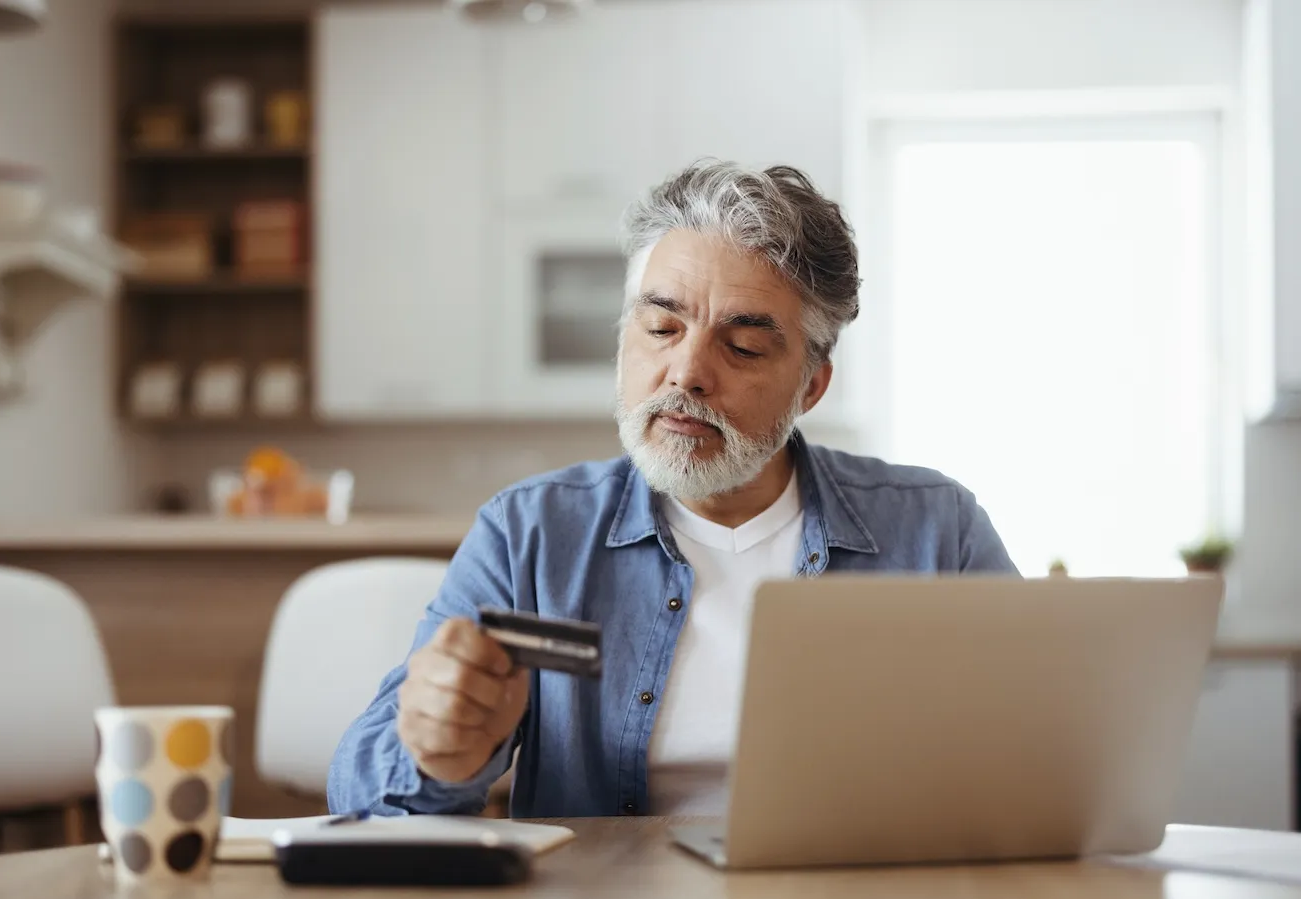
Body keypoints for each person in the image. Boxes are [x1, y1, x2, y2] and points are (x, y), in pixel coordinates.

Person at [327, 159, 1018, 819]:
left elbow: (1043, 759)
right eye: (661, 327)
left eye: (742, 347)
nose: (685, 371)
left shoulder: (938, 531)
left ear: (811, 385)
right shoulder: (530, 534)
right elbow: (362, 796)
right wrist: (440, 756)